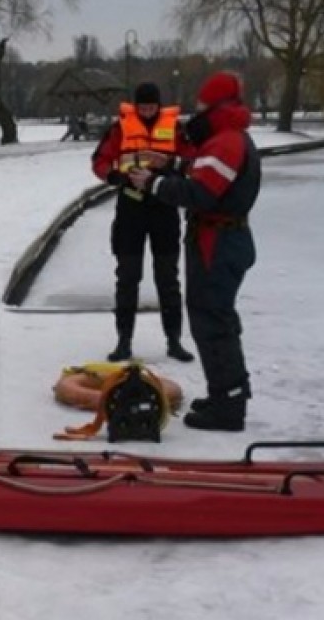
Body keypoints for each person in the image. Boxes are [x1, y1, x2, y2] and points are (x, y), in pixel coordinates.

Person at [129, 71, 261, 432]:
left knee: (212, 320)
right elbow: (202, 172)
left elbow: (201, 193)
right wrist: (169, 164)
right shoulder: (230, 140)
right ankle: (226, 393)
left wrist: (154, 183)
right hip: (223, 239)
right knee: (215, 317)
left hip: (217, 243)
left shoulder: (226, 142)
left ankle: (228, 406)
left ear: (217, 107)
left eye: (202, 106)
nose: (196, 113)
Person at [91, 82, 195, 364]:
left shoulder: (175, 129)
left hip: (164, 206)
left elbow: (191, 160)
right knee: (127, 277)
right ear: (136, 106)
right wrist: (116, 177)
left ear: (159, 106)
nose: (147, 111)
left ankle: (174, 340)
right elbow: (100, 161)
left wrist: (173, 171)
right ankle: (124, 341)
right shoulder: (120, 128)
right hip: (131, 207)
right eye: (143, 107)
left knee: (167, 277)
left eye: (151, 107)